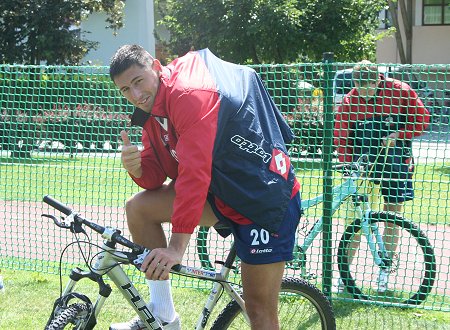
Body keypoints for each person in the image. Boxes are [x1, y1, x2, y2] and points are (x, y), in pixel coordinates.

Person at [108, 45, 302, 330]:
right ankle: (163, 316)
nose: (135, 96)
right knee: (139, 208)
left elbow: (194, 173)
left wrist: (176, 247)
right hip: (221, 192)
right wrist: (136, 167)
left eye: (138, 82)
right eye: (125, 89)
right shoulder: (150, 108)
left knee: (259, 311)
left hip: (263, 199)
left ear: (157, 68)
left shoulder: (188, 94)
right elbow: (154, 177)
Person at [333, 60, 430, 293]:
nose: (364, 93)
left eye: (369, 87)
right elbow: (341, 139)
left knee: (393, 218)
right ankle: (344, 276)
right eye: (359, 87)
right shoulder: (349, 101)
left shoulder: (401, 91)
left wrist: (400, 134)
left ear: (379, 79)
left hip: (396, 164)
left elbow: (422, 120)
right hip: (364, 169)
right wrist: (349, 165)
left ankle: (384, 272)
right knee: (356, 221)